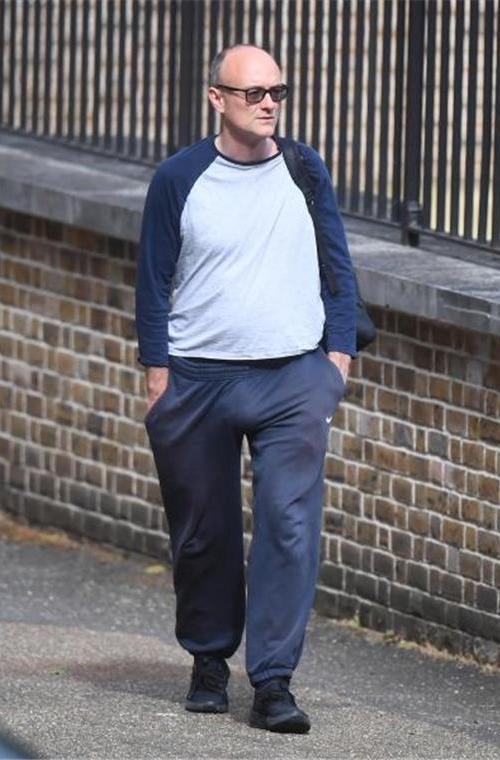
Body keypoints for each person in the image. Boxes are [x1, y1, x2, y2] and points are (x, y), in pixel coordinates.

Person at [136, 43, 358, 733]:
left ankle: (272, 683)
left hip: (294, 376)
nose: (269, 103)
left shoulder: (303, 168)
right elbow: (153, 279)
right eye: (254, 92)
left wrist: (337, 361)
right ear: (218, 99)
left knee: (289, 527)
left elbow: (337, 264)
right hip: (199, 378)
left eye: (278, 92)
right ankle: (208, 661)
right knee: (203, 533)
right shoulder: (179, 178)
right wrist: (158, 377)